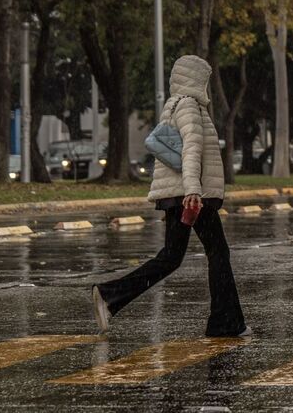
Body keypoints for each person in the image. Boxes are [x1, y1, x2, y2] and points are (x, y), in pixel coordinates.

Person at [90, 55, 249, 338]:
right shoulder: (190, 107)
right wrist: (193, 190)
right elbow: (191, 150)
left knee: (172, 257)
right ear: (198, 79)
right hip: (189, 195)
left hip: (180, 195)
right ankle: (225, 323)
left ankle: (110, 295)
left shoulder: (175, 104)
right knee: (216, 253)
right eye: (206, 79)